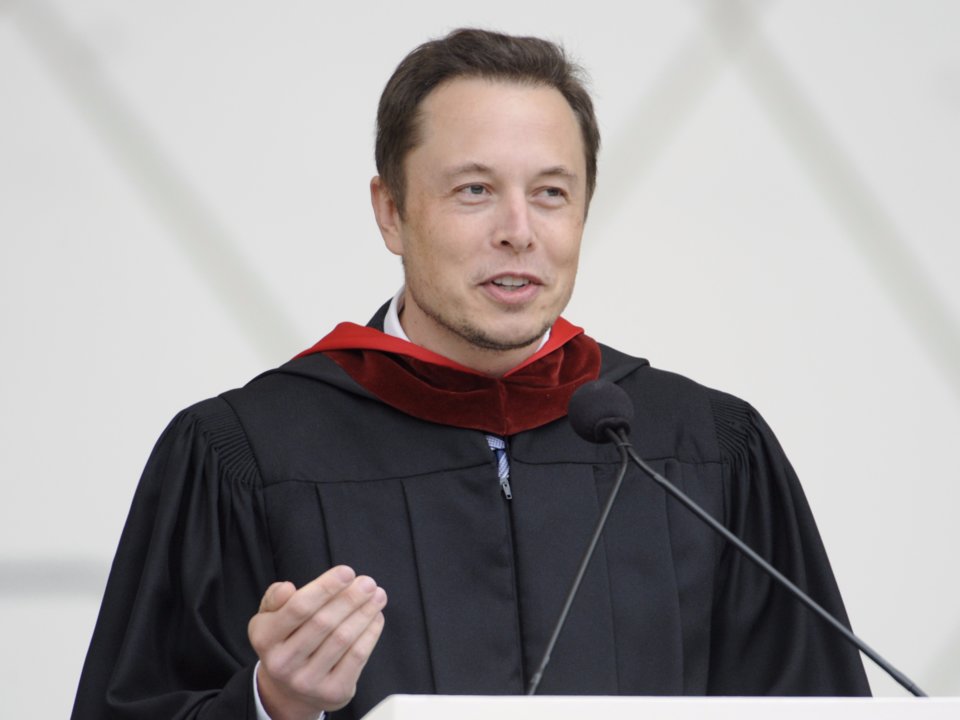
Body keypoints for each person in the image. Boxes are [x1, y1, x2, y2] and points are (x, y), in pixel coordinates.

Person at [72, 28, 870, 720]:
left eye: (550, 193)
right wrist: (271, 704)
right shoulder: (244, 457)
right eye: (475, 190)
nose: (518, 231)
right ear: (392, 212)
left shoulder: (706, 452)